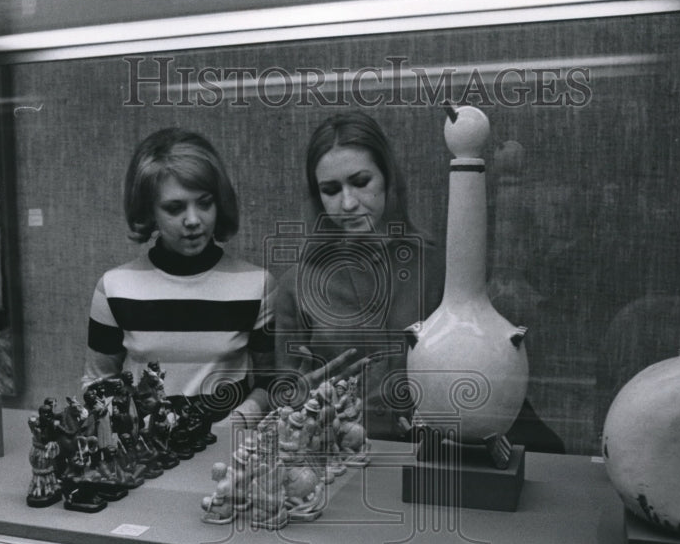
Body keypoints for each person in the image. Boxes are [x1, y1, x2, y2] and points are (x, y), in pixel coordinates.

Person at [82, 127, 274, 444]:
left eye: (205, 203)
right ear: (149, 212)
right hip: (144, 453)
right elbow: (97, 382)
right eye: (174, 208)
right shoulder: (114, 287)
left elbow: (270, 383)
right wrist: (120, 428)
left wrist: (236, 423)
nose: (193, 219)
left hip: (225, 453)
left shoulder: (257, 285)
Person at [274, 112, 444, 441]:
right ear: (318, 197)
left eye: (361, 181)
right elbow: (286, 397)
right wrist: (301, 399)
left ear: (387, 178)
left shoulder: (438, 268)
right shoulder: (297, 285)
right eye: (331, 189)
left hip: (429, 457)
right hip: (336, 459)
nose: (348, 203)